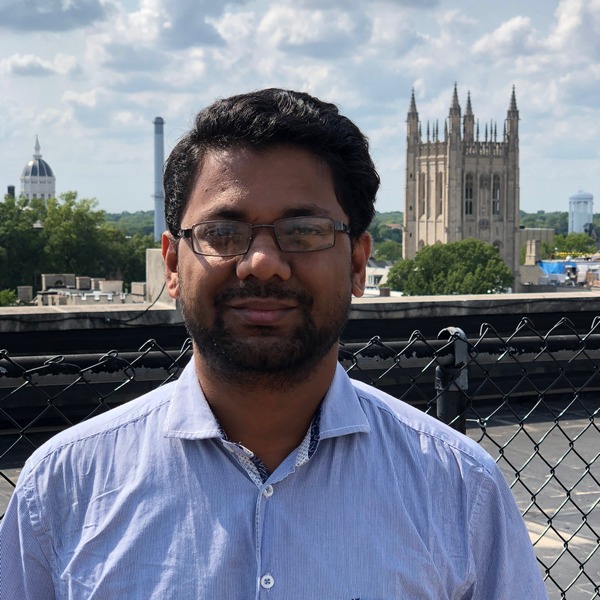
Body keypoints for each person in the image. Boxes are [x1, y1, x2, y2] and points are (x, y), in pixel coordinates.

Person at [0, 88, 548, 599]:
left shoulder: (461, 489)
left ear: (359, 264)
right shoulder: (62, 490)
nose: (262, 263)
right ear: (171, 263)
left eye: (304, 231)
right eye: (222, 233)